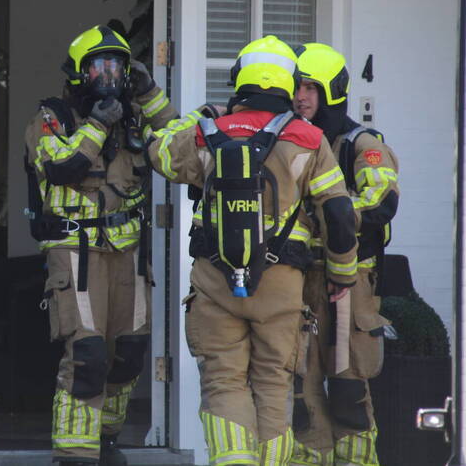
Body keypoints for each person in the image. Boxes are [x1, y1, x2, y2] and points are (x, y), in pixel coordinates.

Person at [146, 35, 358, 466]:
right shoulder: (310, 139)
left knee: (223, 381)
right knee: (274, 383)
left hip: (215, 281)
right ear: (288, 82)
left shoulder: (208, 134)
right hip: (282, 285)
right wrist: (342, 274)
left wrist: (200, 116)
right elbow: (338, 214)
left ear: (239, 77)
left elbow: (159, 152)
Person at [24, 24, 178, 465]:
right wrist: (97, 123)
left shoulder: (134, 114)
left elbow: (180, 142)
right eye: (98, 66)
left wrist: (150, 95)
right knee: (87, 355)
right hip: (75, 251)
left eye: (116, 67)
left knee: (129, 353)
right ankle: (75, 452)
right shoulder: (51, 117)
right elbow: (63, 167)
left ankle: (105, 438)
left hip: (128, 253)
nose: (108, 76)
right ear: (78, 71)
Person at [291, 43, 399, 466]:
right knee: (301, 391)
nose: (301, 97)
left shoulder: (362, 144)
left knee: (348, 392)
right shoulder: (291, 143)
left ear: (332, 92)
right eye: (297, 88)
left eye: (310, 89)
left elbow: (381, 202)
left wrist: (330, 213)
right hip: (299, 281)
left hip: (349, 288)